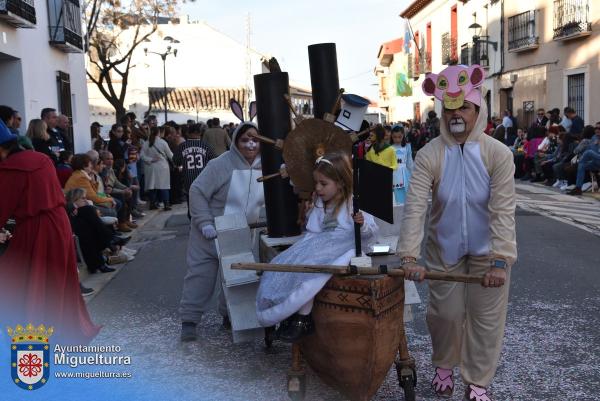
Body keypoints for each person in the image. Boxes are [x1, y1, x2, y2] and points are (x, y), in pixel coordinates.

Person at [401, 64, 517, 401]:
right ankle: (443, 364)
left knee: (486, 320)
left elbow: (503, 210)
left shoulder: (499, 154)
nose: (456, 114)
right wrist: (409, 254)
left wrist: (500, 260)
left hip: (489, 254)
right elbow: (415, 207)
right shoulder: (428, 154)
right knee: (445, 315)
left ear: (477, 110)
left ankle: (478, 381)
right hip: (443, 251)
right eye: (449, 108)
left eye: (463, 107)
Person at [256, 152, 378, 342]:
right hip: (320, 242)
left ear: (341, 182)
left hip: (345, 244)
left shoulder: (353, 202)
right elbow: (314, 229)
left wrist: (361, 224)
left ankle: (303, 318)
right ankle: (284, 314)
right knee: (285, 263)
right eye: (316, 183)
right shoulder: (321, 202)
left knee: (314, 272)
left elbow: (371, 232)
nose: (318, 188)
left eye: (323, 183)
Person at [0, 120, 99, 344]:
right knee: (58, 280)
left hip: (35, 228)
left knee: (27, 280)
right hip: (59, 223)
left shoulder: (9, 169)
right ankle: (65, 333)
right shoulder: (41, 159)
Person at [179, 122, 264, 342]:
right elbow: (197, 190)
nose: (250, 144)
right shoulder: (220, 164)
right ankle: (189, 320)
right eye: (245, 139)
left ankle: (230, 315)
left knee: (238, 277)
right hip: (210, 231)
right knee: (201, 276)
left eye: (255, 139)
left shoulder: (265, 166)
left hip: (239, 233)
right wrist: (204, 222)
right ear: (235, 141)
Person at [65, 188, 116, 274]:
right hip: (72, 229)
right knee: (89, 213)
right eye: (83, 198)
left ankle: (109, 244)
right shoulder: (70, 208)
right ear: (75, 199)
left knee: (91, 227)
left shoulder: (82, 211)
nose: (86, 200)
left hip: (81, 227)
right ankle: (111, 240)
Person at [172, 123, 216, 219]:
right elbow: (214, 160)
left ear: (188, 133)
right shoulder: (206, 146)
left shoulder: (182, 146)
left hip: (189, 179)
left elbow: (175, 161)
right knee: (206, 201)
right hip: (204, 179)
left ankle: (193, 222)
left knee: (191, 203)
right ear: (200, 133)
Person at [141, 126, 173, 211]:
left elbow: (142, 155)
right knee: (164, 186)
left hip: (150, 167)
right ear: (159, 133)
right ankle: (166, 204)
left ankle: (152, 204)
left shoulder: (146, 142)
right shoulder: (163, 142)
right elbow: (170, 155)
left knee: (152, 186)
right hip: (162, 167)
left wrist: (151, 159)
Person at [568, 122, 600, 195]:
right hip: (595, 162)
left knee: (588, 152)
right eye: (596, 128)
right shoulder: (594, 137)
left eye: (599, 128)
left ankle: (580, 162)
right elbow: (588, 149)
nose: (597, 130)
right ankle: (578, 188)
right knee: (582, 165)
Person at [390, 125, 413, 204]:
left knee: (407, 195)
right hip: (394, 173)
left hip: (405, 174)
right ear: (391, 137)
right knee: (396, 196)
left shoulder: (407, 147)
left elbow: (410, 162)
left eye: (399, 137)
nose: (397, 139)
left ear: (403, 135)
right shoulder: (389, 148)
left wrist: (413, 174)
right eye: (394, 137)